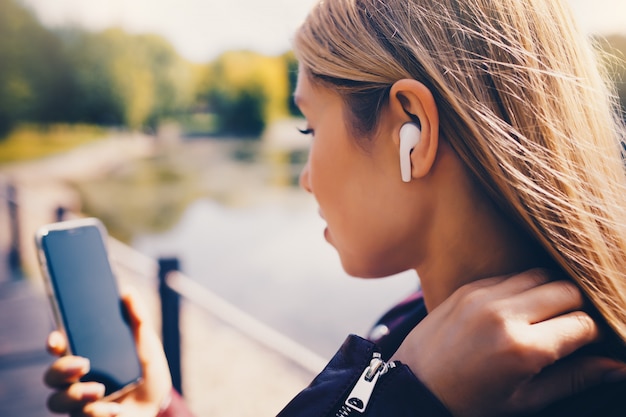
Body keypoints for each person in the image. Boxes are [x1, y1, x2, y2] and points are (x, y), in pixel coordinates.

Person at [43, 0, 626, 416]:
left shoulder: (584, 392)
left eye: (308, 126)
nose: (304, 179)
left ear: (413, 130)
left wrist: (401, 401)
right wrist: (161, 409)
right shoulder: (420, 323)